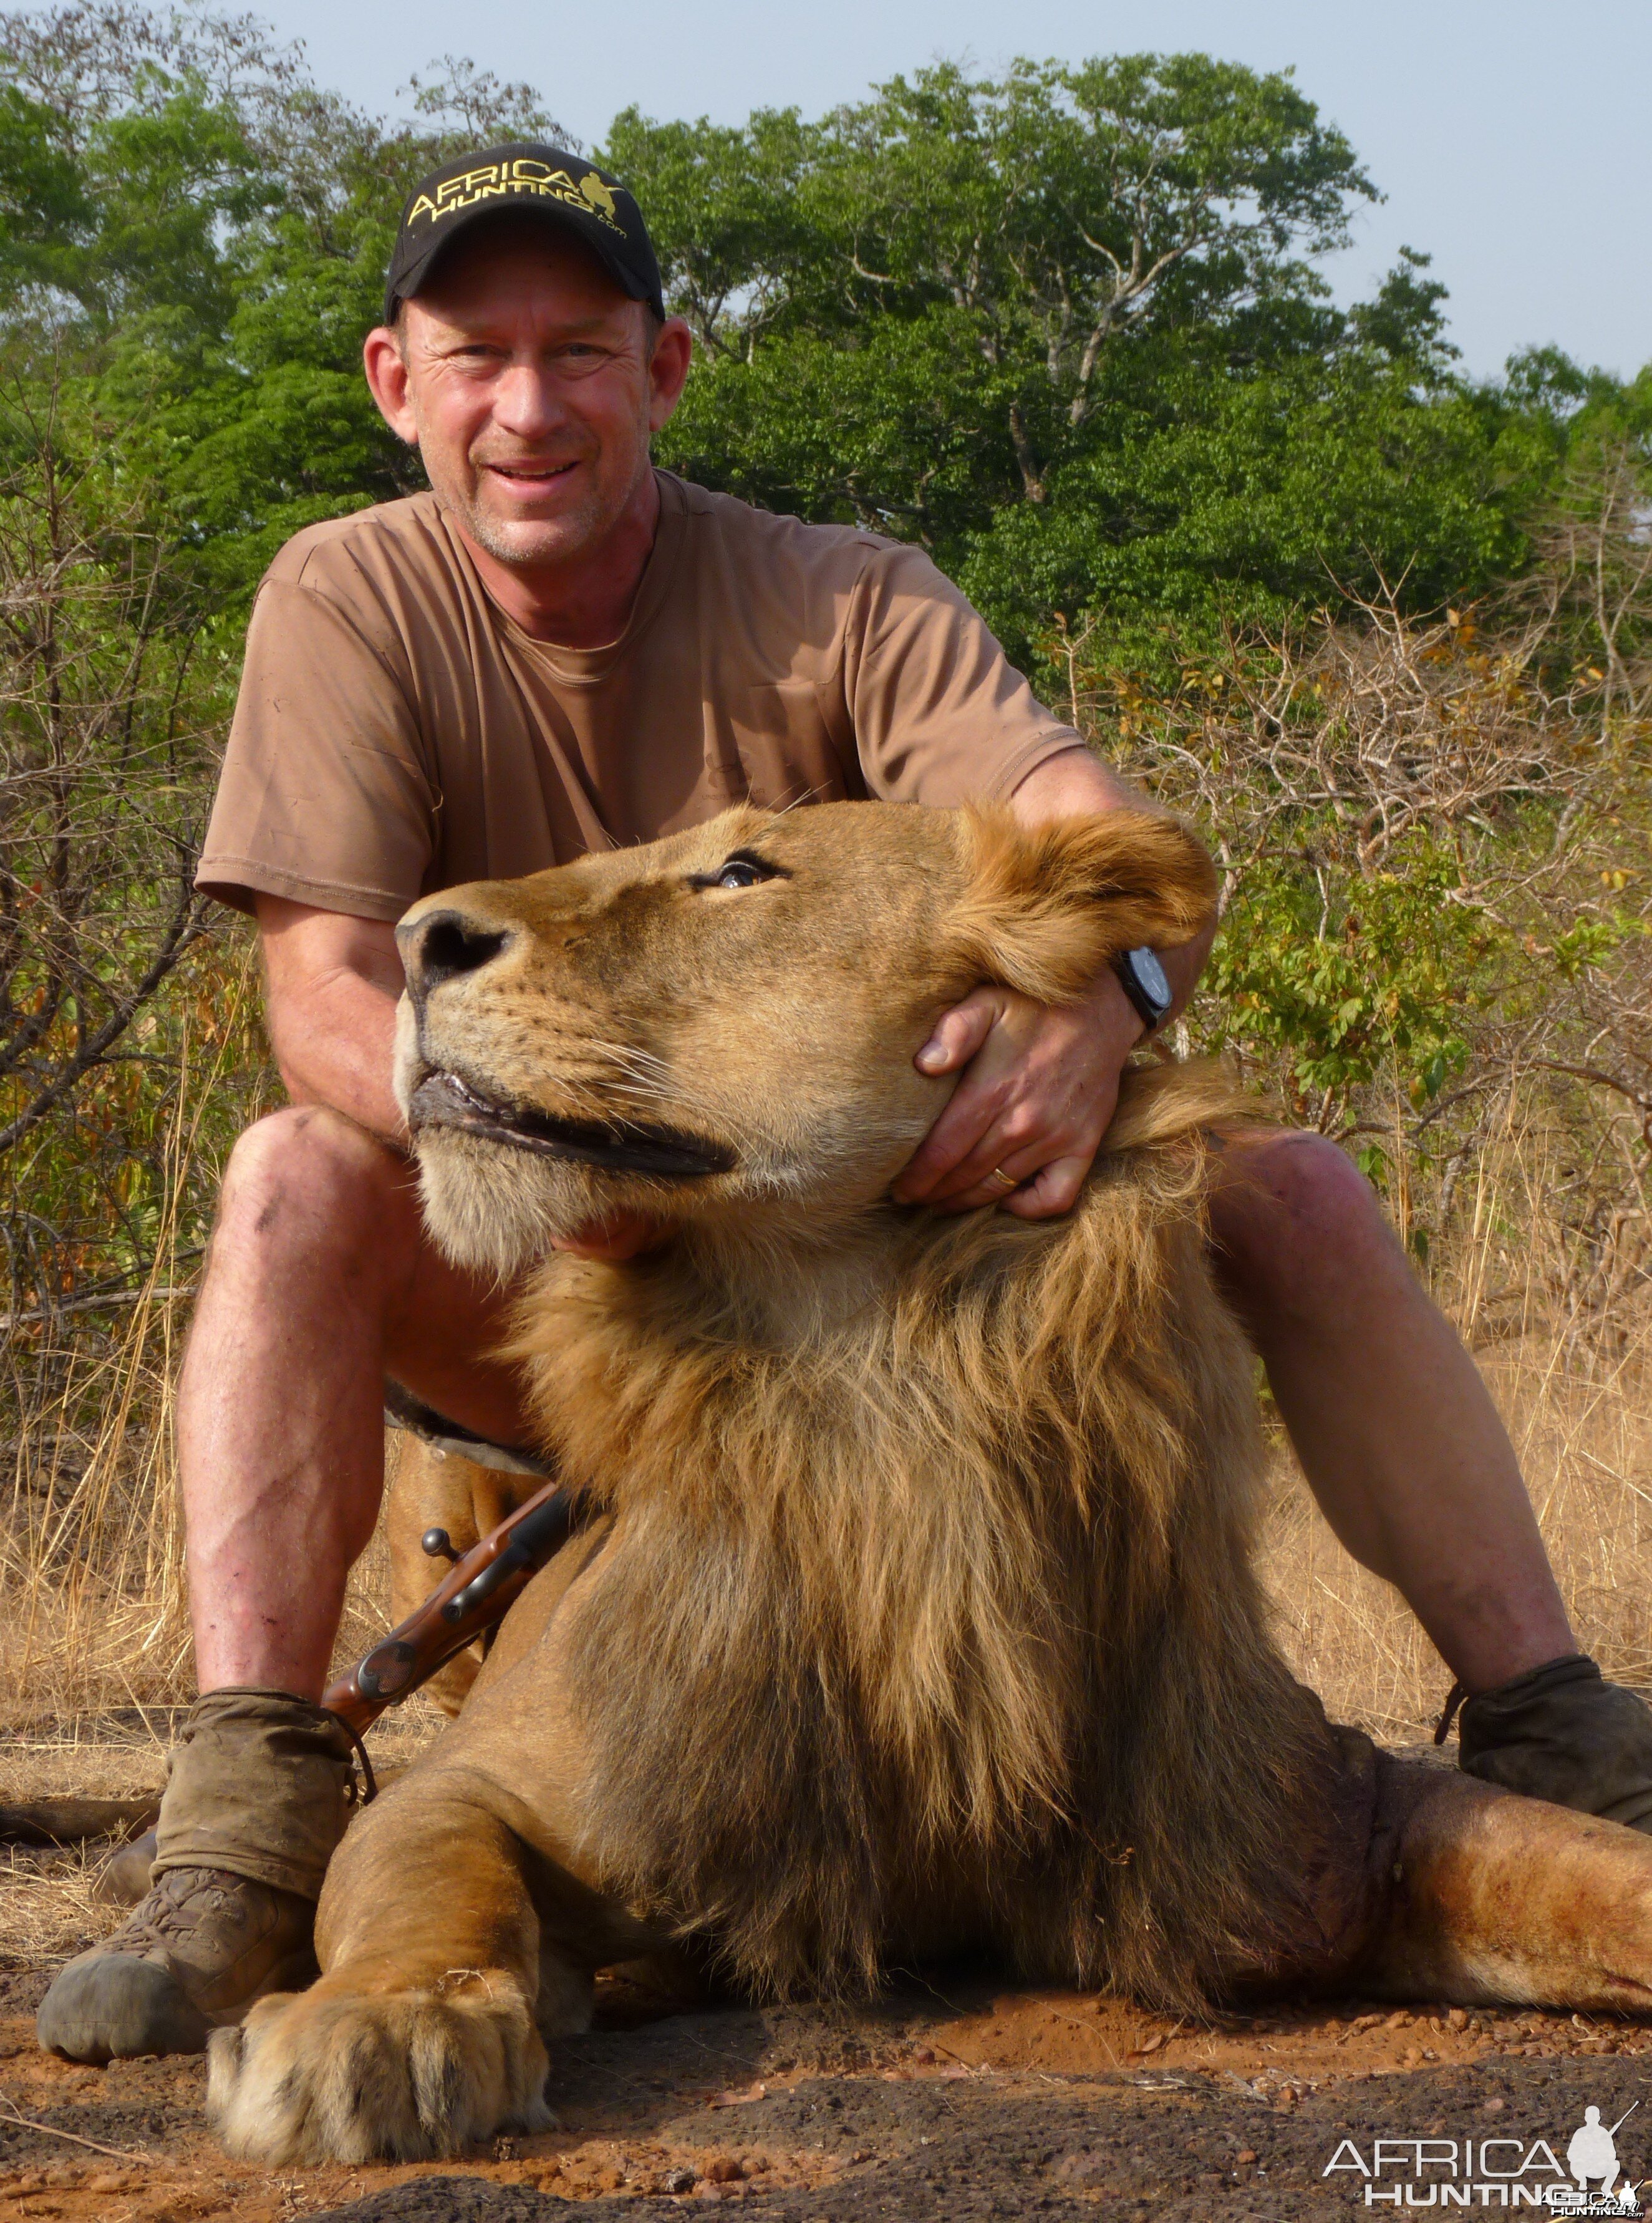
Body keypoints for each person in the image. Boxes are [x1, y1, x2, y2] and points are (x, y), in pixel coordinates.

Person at [37, 142, 1652, 2065]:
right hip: (548, 1279)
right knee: (293, 1170)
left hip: (870, 1272)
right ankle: (251, 1805)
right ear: (401, 382)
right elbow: (325, 995)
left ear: (668, 369)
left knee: (1283, 1182)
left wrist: (1098, 1007)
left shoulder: (841, 599)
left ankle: (1558, 1716)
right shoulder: (349, 596)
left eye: (582, 351)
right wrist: (582, 1168)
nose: (527, 405)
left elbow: (1113, 863)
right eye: (476, 355)